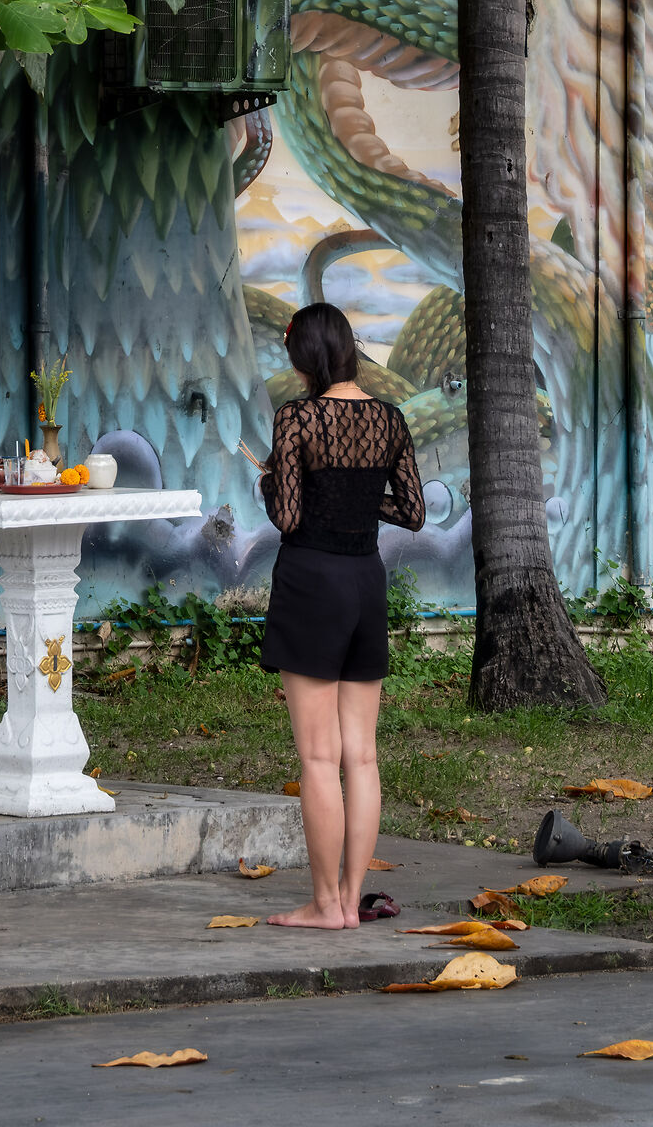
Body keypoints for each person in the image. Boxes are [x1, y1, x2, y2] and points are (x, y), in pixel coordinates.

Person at [256, 302, 425, 929]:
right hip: (365, 583)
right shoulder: (389, 418)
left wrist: (273, 484)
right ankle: (352, 899)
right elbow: (411, 512)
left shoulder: (296, 418)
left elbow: (289, 518)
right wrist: (355, 498)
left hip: (311, 584)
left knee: (319, 758)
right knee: (363, 756)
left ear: (305, 356)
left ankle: (325, 904)